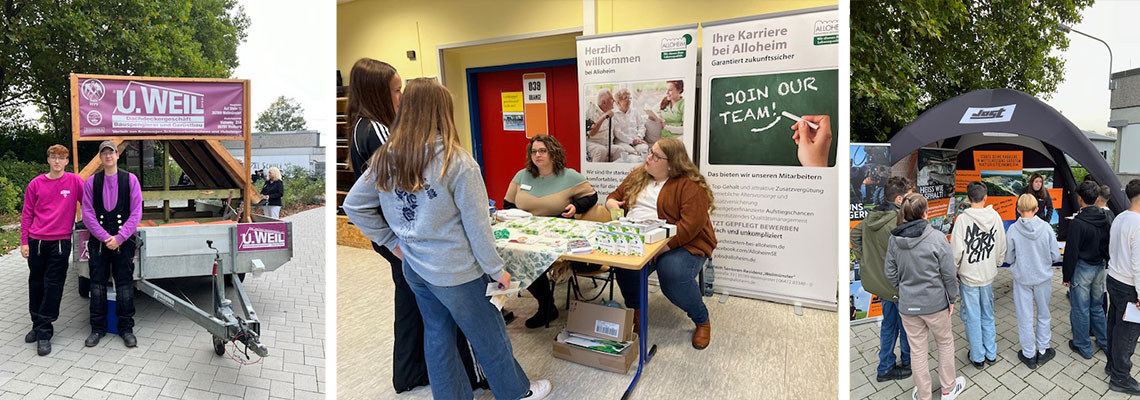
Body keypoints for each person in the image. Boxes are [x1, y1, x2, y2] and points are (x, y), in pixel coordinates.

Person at [342, 78, 550, 400]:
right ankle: (517, 392)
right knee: (489, 337)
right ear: (443, 112)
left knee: (437, 336)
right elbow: (478, 228)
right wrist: (497, 271)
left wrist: (393, 242)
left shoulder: (386, 157)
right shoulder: (457, 162)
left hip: (416, 266)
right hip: (457, 272)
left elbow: (353, 205)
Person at [345, 58, 485, 393]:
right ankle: (467, 374)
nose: (400, 98)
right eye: (396, 91)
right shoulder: (380, 131)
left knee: (413, 306)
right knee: (445, 310)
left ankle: (410, 372)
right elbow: (405, 187)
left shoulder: (363, 126)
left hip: (403, 234)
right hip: (408, 234)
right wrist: (397, 240)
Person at [605, 137, 717, 349]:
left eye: (656, 156)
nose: (649, 157)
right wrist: (612, 203)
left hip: (683, 242)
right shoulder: (639, 175)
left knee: (672, 272)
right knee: (625, 265)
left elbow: (691, 226)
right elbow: (614, 196)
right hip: (640, 237)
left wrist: (661, 247)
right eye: (650, 152)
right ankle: (636, 315)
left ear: (672, 163)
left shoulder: (689, 185)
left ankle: (701, 319)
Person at [502, 135, 597, 328]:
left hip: (555, 233)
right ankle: (536, 304)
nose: (537, 155)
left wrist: (576, 207)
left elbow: (592, 196)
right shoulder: (522, 176)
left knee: (528, 258)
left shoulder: (569, 176)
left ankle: (546, 307)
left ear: (553, 152)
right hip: (525, 232)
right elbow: (508, 205)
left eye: (542, 151)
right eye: (534, 151)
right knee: (511, 254)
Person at [885, 193, 965, 400]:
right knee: (945, 343)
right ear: (925, 214)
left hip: (908, 306)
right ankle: (948, 389)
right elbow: (948, 274)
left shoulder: (894, 240)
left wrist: (904, 290)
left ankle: (924, 395)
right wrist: (952, 299)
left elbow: (890, 272)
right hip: (936, 304)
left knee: (918, 351)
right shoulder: (937, 238)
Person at [20, 144, 84, 356]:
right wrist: (24, 242)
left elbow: (89, 203)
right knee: (36, 284)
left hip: (60, 242)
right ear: (48, 159)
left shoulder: (75, 181)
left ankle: (44, 332)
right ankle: (36, 324)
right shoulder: (36, 184)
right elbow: (27, 214)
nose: (57, 161)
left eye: (61, 158)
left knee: (53, 286)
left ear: (67, 162)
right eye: (53, 157)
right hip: (37, 241)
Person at [81, 141, 143, 348]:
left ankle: (126, 329)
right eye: (104, 153)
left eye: (111, 152)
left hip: (123, 242)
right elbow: (87, 214)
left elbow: (136, 213)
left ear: (117, 156)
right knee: (97, 285)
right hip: (99, 243)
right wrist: (105, 237)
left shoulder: (130, 180)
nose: (108, 156)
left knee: (125, 285)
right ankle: (97, 328)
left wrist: (120, 237)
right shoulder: (91, 182)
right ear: (100, 157)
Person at [850, 176, 912, 382]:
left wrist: (865, 260)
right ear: (899, 199)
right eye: (909, 197)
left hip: (882, 283)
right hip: (897, 285)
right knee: (904, 326)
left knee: (889, 325)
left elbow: (855, 234)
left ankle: (887, 364)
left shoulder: (873, 215)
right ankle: (901, 364)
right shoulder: (897, 223)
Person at [950, 181, 1005, 368]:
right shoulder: (995, 216)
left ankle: (978, 356)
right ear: (986, 197)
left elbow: (956, 251)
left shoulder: (962, 221)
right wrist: (996, 263)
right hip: (988, 275)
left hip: (969, 277)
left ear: (967, 198)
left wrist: (954, 270)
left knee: (972, 316)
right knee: (988, 314)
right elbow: (1001, 244)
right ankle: (991, 353)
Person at [1005, 194, 1060, 369]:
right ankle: (1043, 350)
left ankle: (1028, 353)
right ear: (1037, 209)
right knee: (1044, 314)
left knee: (1024, 316)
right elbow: (1055, 255)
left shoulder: (1013, 229)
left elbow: (1009, 257)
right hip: (1043, 279)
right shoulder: (1046, 228)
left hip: (1022, 279)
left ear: (1018, 210)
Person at [1063, 180, 1113, 359]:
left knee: (1080, 308)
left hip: (1082, 269)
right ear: (1097, 197)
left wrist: (1066, 275)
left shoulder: (1078, 222)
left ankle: (1083, 346)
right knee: (1097, 307)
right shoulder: (1106, 217)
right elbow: (1110, 244)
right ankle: (1105, 342)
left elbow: (1071, 252)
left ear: (1080, 199)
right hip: (1100, 267)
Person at [1106, 179, 1140, 395]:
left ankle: (1112, 365)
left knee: (1115, 325)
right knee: (1127, 333)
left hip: (1114, 278)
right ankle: (1120, 377)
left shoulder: (1119, 217)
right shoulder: (1138, 224)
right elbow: (1138, 265)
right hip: (1129, 285)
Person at [607, 88, 648, 161]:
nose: (628, 100)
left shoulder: (635, 112)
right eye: (626, 98)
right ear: (618, 102)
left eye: (630, 98)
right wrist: (632, 141)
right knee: (630, 152)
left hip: (637, 140)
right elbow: (618, 132)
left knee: (643, 149)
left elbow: (641, 126)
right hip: (622, 142)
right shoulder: (614, 115)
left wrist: (639, 137)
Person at [585, 89, 618, 162]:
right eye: (612, 100)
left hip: (606, 144)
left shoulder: (611, 112)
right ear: (604, 103)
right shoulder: (591, 111)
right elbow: (591, 133)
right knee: (601, 150)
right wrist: (604, 117)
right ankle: (594, 172)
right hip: (593, 143)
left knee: (620, 150)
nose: (614, 101)